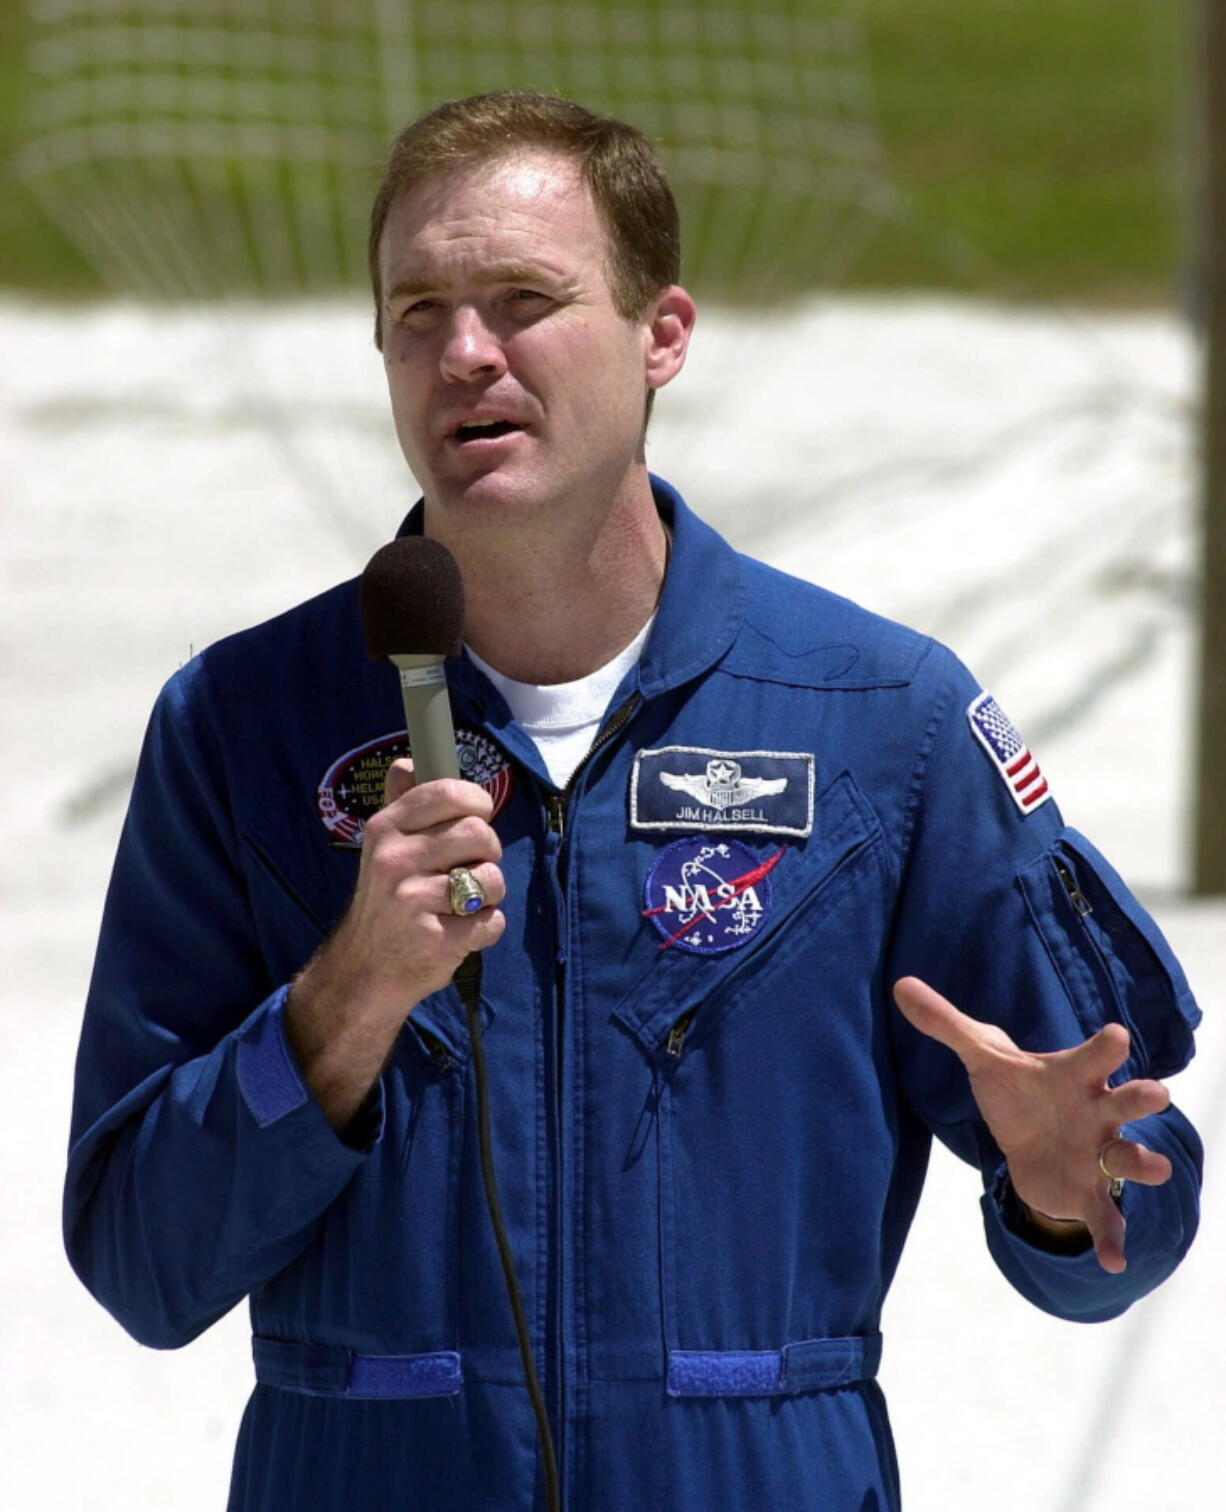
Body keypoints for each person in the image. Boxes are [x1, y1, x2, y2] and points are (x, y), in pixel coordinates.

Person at [65, 91, 1203, 1511]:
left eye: (523, 300)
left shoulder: (876, 720)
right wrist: (342, 1005)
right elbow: (138, 1267)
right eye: (416, 310)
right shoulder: (243, 723)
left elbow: (1130, 1213)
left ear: (661, 332)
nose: (463, 353)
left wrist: (1058, 1186)